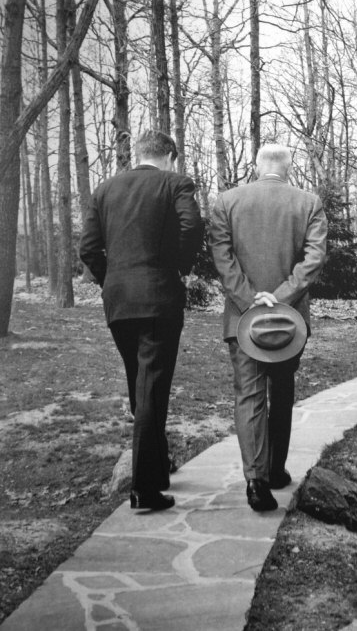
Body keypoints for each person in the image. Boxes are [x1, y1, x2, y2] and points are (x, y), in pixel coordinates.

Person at [80, 129, 204, 512]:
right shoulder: (175, 183)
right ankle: (144, 488)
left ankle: (158, 468)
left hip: (118, 302)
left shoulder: (104, 190)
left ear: (139, 154)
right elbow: (192, 227)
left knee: (141, 384)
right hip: (158, 298)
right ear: (169, 156)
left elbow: (87, 248)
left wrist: (111, 279)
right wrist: (176, 268)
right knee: (152, 387)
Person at [209, 143, 327, 512]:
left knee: (249, 394)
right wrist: (280, 298)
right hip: (290, 319)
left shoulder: (226, 202)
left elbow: (222, 258)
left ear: (256, 166)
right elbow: (314, 258)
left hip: (243, 320)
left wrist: (249, 301)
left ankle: (255, 481)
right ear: (289, 169)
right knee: (282, 389)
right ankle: (275, 470)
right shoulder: (308, 203)